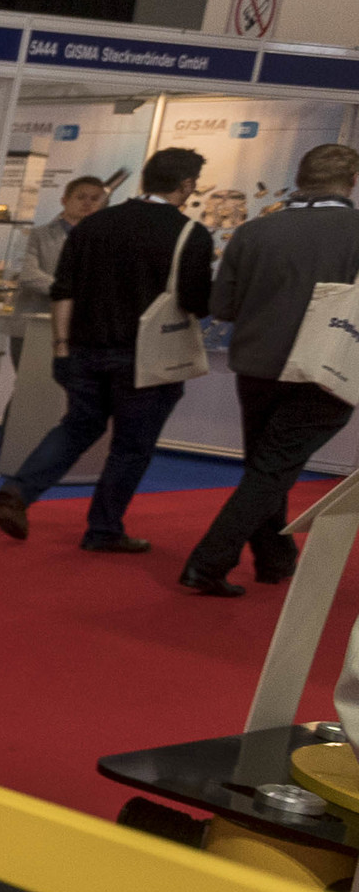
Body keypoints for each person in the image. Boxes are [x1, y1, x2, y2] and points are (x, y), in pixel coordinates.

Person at [0, 146, 215, 552]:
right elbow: (198, 302)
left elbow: (64, 290)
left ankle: (20, 489)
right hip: (149, 359)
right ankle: (104, 528)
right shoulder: (189, 235)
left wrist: (62, 349)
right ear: (185, 185)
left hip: (83, 350)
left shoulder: (93, 227)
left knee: (78, 425)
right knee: (132, 445)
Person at [178, 142, 359, 596]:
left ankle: (274, 559)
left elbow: (222, 305)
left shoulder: (256, 232)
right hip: (326, 367)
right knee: (272, 469)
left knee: (266, 465)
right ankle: (208, 562)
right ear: (351, 182)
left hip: (257, 364)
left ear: (301, 177)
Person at [15, 174, 109, 306]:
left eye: (94, 199)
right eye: (81, 197)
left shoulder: (108, 241)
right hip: (38, 315)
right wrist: (72, 291)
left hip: (86, 318)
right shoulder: (36, 235)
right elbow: (27, 273)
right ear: (64, 201)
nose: (87, 203)